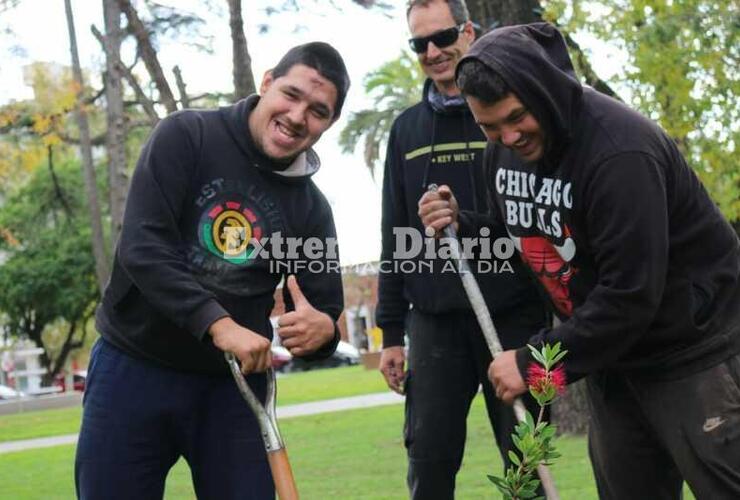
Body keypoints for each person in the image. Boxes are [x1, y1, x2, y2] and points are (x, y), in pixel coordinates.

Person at [419, 22, 740, 499]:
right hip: (614, 362)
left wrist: (535, 364)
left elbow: (630, 295)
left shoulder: (619, 153)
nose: (507, 137)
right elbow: (536, 237)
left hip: (692, 356)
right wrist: (465, 225)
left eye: (517, 117)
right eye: (489, 127)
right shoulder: (503, 154)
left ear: (544, 92)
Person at [75, 42, 350, 500]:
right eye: (291, 94)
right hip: (133, 366)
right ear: (266, 82)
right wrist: (219, 324)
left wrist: (322, 331)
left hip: (234, 389)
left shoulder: (312, 209)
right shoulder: (188, 135)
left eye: (317, 110)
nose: (298, 115)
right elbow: (143, 247)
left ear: (330, 123)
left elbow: (325, 311)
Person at [376, 2, 550, 498]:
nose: (432, 51)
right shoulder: (405, 129)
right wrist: (391, 331)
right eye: (419, 44)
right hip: (434, 321)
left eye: (443, 36)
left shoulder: (509, 115)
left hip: (513, 314)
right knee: (428, 463)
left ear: (469, 31)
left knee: (527, 464)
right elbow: (394, 229)